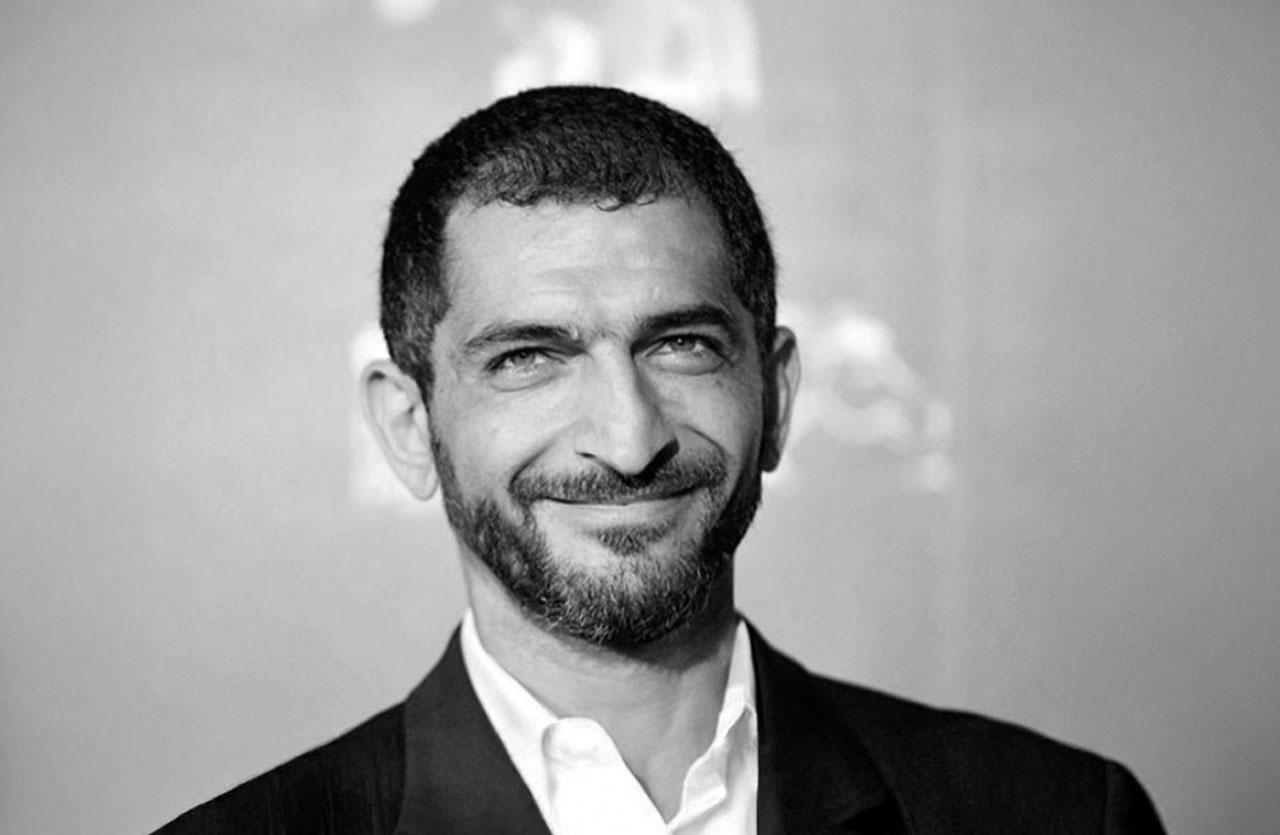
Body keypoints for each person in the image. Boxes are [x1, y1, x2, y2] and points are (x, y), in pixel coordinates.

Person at [154, 85, 1165, 834]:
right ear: (409, 426)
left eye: (680, 345)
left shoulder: (1061, 814)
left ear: (776, 396)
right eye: (528, 358)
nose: (629, 440)